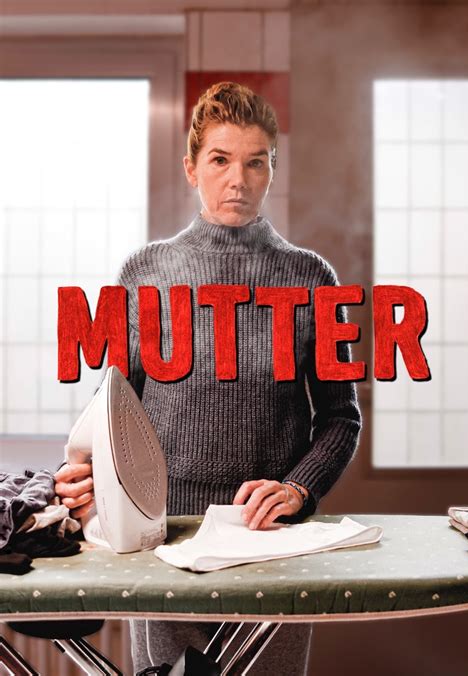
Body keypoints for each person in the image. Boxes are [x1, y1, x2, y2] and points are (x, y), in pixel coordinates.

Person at [54, 81, 362, 675]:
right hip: (162, 535)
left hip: (271, 539)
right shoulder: (144, 272)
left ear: (272, 170)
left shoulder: (311, 277)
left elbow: (340, 417)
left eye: (255, 162)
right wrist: (83, 470)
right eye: (220, 160)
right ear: (191, 168)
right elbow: (113, 408)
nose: (238, 179)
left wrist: (299, 489)